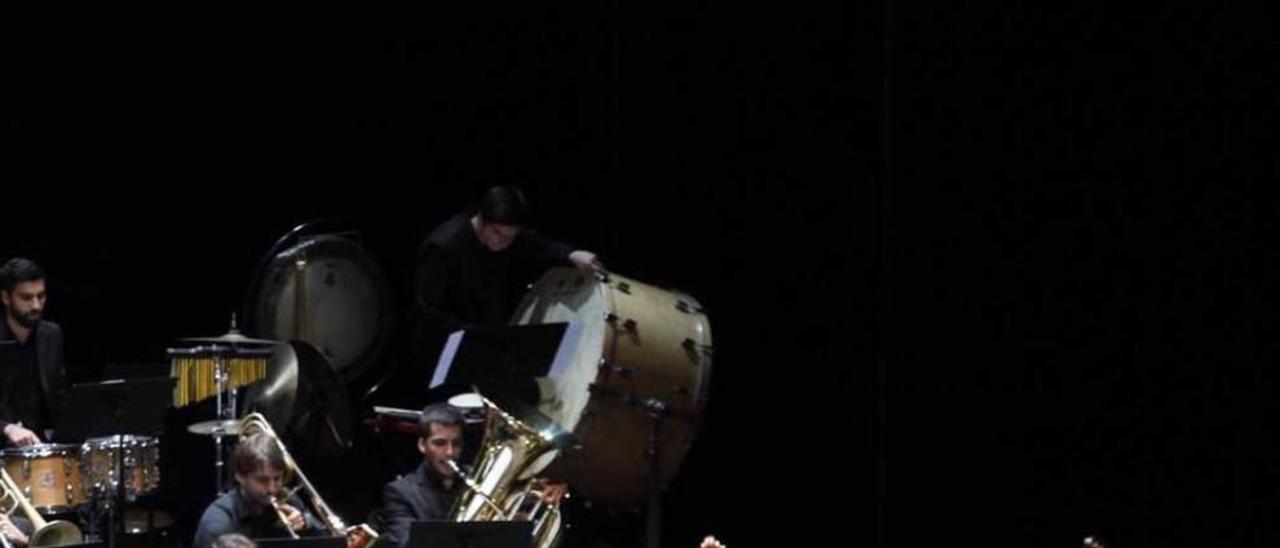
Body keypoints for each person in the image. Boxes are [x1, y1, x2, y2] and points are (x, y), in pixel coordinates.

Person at [410, 185, 603, 369]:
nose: (504, 242)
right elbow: (433, 313)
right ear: (482, 221)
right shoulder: (443, 247)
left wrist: (571, 254)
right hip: (445, 347)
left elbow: (535, 243)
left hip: (482, 339)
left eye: (510, 237)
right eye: (499, 234)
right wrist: (484, 339)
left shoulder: (502, 233)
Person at [193, 433, 325, 547]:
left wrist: (306, 524)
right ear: (240, 476)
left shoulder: (287, 499)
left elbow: (328, 538)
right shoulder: (218, 522)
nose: (272, 488)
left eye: (277, 478)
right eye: (263, 480)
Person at [0, 258, 67, 447]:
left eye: (41, 296)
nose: (36, 306)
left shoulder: (51, 334)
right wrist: (7, 428)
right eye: (26, 298)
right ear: (6, 298)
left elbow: (59, 397)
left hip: (42, 446)